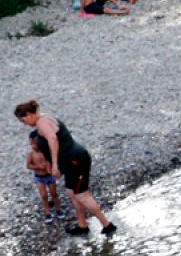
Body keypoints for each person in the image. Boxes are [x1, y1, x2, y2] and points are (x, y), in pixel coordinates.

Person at [13, 100, 117, 237]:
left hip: (76, 160)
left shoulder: (42, 122)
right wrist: (51, 163)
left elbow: (53, 139)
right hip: (69, 161)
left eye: (23, 120)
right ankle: (82, 225)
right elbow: (48, 146)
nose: (24, 124)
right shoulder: (45, 119)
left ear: (29, 114)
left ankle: (107, 225)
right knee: (71, 192)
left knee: (82, 195)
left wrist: (55, 164)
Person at [26, 139, 62, 223]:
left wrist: (49, 165)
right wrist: (38, 167)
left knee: (54, 194)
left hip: (49, 175)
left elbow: (52, 160)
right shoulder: (31, 154)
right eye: (32, 145)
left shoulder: (45, 151)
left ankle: (58, 209)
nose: (34, 146)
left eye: (35, 145)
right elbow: (28, 165)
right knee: (44, 195)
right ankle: (47, 212)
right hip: (39, 177)